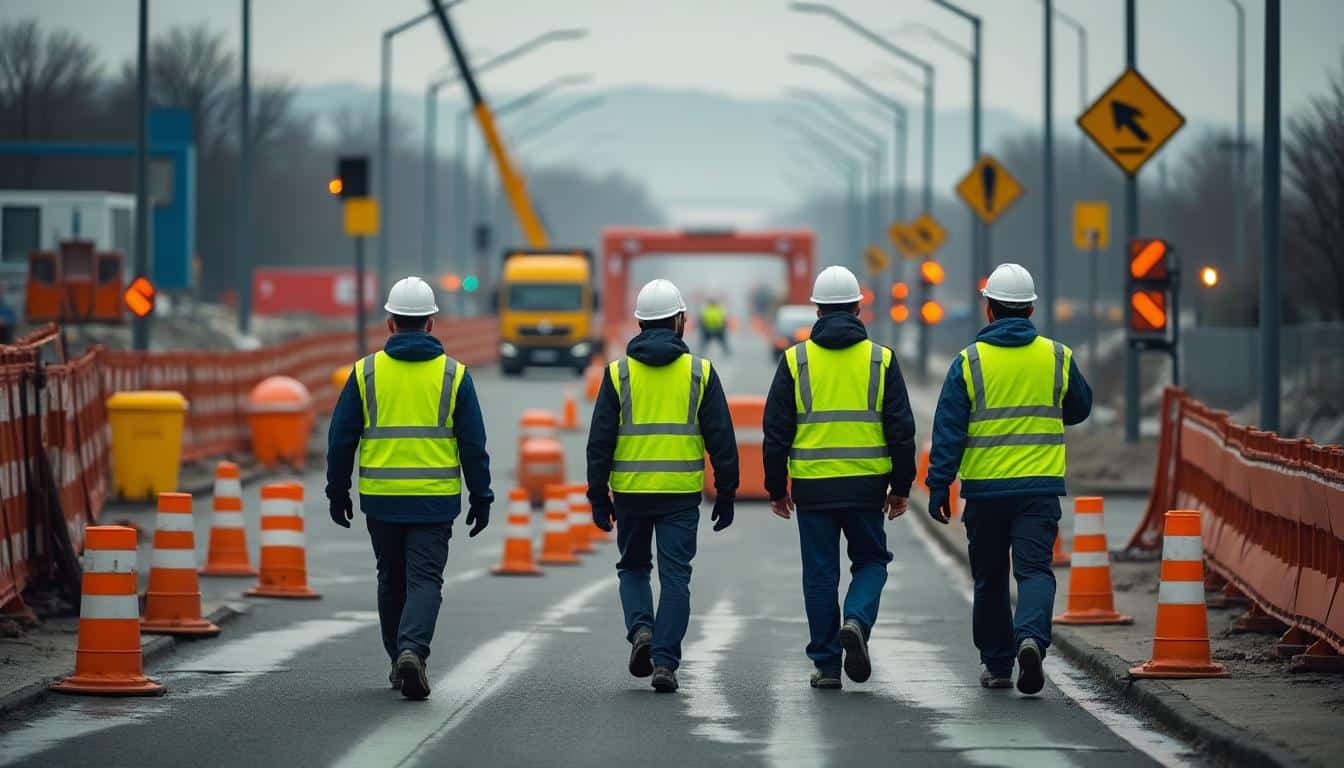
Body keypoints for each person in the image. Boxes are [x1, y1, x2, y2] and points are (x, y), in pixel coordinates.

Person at [926, 263, 1092, 696]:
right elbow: (1079, 408)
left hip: (984, 491)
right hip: (1038, 488)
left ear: (989, 309)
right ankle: (1032, 640)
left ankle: (999, 665)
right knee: (1036, 570)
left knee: (991, 577)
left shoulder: (969, 362)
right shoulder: (1057, 356)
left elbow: (948, 430)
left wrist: (939, 485)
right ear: (1032, 308)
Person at [326, 276, 493, 701]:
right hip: (433, 502)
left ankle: (397, 658)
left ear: (390, 323)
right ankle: (411, 650)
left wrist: (337, 490)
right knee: (424, 581)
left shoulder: (365, 373)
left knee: (390, 579)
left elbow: (341, 437)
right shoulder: (454, 375)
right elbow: (473, 444)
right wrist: (482, 496)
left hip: (381, 500)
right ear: (432, 323)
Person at [762, 265, 917, 690]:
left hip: (812, 487)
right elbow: (901, 429)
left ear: (816, 310)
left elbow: (776, 432)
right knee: (870, 562)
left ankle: (828, 666)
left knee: (819, 575)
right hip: (867, 486)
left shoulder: (796, 360)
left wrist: (776, 487)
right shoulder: (880, 359)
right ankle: (856, 619)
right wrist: (901, 487)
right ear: (857, 308)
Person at [587, 278, 739, 693]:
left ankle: (641, 631)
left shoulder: (618, 373)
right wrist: (726, 492)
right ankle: (665, 662)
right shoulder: (700, 372)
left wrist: (598, 495)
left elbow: (600, 441)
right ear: (679, 322)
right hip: (680, 494)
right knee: (676, 578)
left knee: (633, 568)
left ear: (639, 323)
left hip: (632, 493)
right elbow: (721, 438)